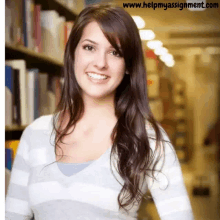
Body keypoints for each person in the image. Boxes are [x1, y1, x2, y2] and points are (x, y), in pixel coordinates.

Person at [5, 3, 194, 220]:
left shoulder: (148, 139)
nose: (100, 63)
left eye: (115, 52)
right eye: (89, 48)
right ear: (73, 53)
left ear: (129, 66)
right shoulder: (35, 134)